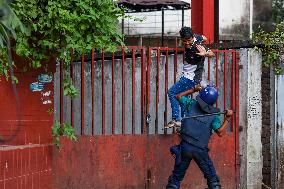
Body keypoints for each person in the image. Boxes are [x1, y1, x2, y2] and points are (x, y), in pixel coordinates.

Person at [165, 85, 234, 189]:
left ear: (201, 95)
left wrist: (193, 89)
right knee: (212, 179)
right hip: (200, 150)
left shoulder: (191, 104)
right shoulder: (215, 116)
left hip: (185, 147)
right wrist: (228, 118)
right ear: (214, 101)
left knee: (175, 178)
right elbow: (220, 132)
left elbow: (178, 96)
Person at [167, 26, 215, 127]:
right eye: (184, 41)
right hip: (189, 76)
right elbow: (205, 37)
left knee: (172, 92)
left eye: (189, 41)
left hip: (190, 77)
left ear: (192, 37)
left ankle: (176, 119)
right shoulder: (197, 38)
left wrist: (204, 53)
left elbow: (212, 54)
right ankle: (184, 123)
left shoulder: (197, 46)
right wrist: (202, 38)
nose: (187, 44)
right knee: (182, 98)